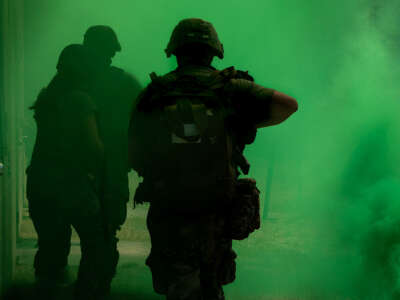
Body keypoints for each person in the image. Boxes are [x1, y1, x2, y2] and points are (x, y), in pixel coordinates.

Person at [128, 18, 298, 300]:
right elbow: (289, 105)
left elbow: (134, 152)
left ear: (175, 51)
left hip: (169, 205)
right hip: (216, 204)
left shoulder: (153, 93)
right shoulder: (232, 88)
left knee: (179, 282)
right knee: (211, 280)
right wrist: (242, 122)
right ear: (214, 51)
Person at [26, 44, 110, 300]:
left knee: (51, 248)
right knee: (96, 245)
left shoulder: (46, 98)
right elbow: (94, 147)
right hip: (72, 185)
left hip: (40, 184)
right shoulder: (81, 100)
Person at [82, 25, 142, 293]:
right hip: (112, 166)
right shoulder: (125, 82)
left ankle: (90, 281)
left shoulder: (72, 81)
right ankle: (98, 281)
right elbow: (144, 121)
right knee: (106, 231)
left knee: (90, 230)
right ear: (112, 51)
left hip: (76, 168)